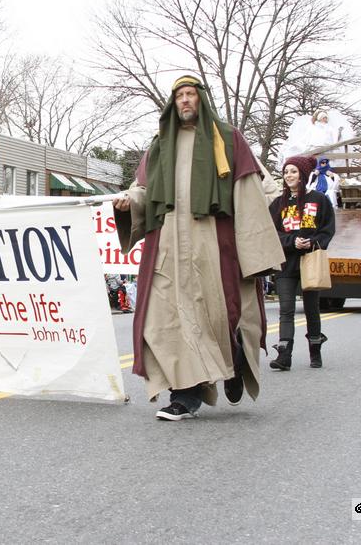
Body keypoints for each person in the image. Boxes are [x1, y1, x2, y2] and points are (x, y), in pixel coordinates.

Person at [114, 75, 284, 421]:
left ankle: (233, 362)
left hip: (212, 246)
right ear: (172, 102)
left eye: (191, 94)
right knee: (164, 324)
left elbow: (248, 196)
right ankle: (184, 396)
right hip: (167, 249)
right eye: (179, 95)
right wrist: (127, 201)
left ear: (201, 100)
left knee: (218, 320)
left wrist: (254, 254)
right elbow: (143, 191)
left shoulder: (229, 140)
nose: (185, 101)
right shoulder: (160, 145)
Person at [268, 156, 336, 371]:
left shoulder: (319, 200)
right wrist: (291, 241)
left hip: (310, 262)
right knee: (286, 310)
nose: (289, 175)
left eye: (294, 171)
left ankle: (315, 350)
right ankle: (284, 355)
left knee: (311, 309)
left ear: (303, 175)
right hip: (286, 263)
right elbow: (271, 233)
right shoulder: (278, 204)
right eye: (286, 171)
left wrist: (313, 242)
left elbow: (328, 229)